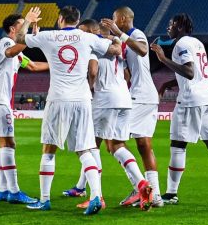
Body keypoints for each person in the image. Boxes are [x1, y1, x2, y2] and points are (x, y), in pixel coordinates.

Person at [16, 6, 121, 215]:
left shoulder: (49, 36)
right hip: (82, 99)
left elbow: (20, 39)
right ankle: (96, 197)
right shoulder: (86, 37)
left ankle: (44, 199)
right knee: (85, 150)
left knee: (49, 150)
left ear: (60, 19)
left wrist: (28, 20)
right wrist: (116, 35)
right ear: (78, 19)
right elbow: (116, 50)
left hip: (58, 99)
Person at [151, 13, 208, 209]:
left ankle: (171, 193)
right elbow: (197, 75)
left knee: (178, 145)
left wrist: (162, 58)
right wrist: (169, 83)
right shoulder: (197, 43)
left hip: (191, 101)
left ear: (179, 25)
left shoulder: (181, 44)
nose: (168, 27)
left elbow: (190, 72)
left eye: (171, 23)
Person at [64, 20, 153, 211]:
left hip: (103, 99)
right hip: (123, 99)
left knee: (90, 146)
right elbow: (127, 75)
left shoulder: (93, 44)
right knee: (116, 146)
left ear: (91, 31)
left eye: (82, 31)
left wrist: (89, 88)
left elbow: (93, 71)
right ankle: (141, 184)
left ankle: (98, 196)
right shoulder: (117, 45)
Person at [0, 11, 49, 204]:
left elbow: (34, 66)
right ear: (13, 29)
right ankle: (14, 191)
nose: (26, 28)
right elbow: (11, 51)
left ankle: (3, 190)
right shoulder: (7, 43)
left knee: (4, 144)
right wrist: (29, 27)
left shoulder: (17, 51)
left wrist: (58, 63)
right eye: (23, 25)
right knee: (9, 143)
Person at [101, 7, 163, 208]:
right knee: (144, 146)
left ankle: (140, 188)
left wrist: (119, 34)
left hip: (139, 96)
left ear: (123, 18)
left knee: (112, 143)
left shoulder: (136, 35)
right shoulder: (126, 41)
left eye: (114, 19)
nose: (113, 22)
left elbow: (144, 50)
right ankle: (155, 196)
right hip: (144, 95)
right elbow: (128, 74)